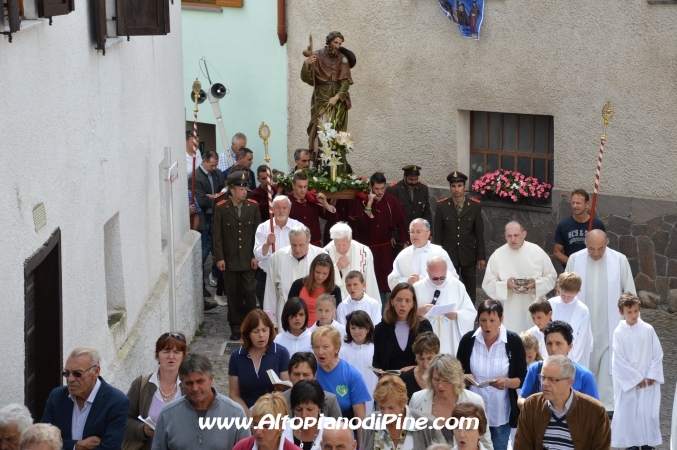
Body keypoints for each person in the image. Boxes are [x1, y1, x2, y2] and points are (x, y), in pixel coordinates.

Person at [565, 229, 636, 412]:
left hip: (609, 326)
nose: (596, 253)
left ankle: (607, 409)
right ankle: (581, 402)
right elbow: (565, 291)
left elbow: (629, 294)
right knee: (582, 361)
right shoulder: (575, 259)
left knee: (608, 371)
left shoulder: (619, 260)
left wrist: (632, 325)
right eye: (591, 249)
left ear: (607, 244)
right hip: (583, 326)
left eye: (601, 249)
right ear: (585, 245)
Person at [456, 301, 527, 450]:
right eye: (483, 320)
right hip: (472, 412)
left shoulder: (513, 341)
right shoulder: (468, 340)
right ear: (478, 320)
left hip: (500, 412)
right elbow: (457, 373)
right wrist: (464, 378)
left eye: (492, 320)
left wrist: (507, 382)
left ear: (501, 319)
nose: (487, 325)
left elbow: (522, 378)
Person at [152, 353, 250, 449]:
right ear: (182, 383)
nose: (195, 388)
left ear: (211, 379)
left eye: (200, 381)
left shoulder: (235, 413)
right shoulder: (168, 414)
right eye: (189, 383)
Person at [514, 355, 610, 449]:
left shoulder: (595, 412)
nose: (545, 384)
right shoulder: (531, 406)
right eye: (543, 377)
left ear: (569, 382)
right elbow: (521, 446)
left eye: (552, 379)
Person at [42, 347, 130, 450]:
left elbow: (110, 447)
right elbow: (43, 441)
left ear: (96, 372)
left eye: (77, 373)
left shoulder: (117, 402)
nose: (70, 379)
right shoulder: (57, 397)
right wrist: (76, 446)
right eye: (66, 373)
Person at [481, 220, 557, 333]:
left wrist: (536, 284)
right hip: (509, 309)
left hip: (533, 308)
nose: (513, 239)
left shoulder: (537, 251)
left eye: (516, 235)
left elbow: (552, 276)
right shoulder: (497, 255)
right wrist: (505, 285)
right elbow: (487, 283)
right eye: (509, 236)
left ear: (524, 234)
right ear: (505, 236)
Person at [611, 292, 664, 450]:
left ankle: (648, 444)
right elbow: (618, 360)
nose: (633, 315)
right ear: (621, 312)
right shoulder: (618, 333)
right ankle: (630, 445)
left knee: (648, 414)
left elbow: (657, 353)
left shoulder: (648, 329)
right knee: (629, 415)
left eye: (636, 311)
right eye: (629, 312)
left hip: (647, 382)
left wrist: (652, 375)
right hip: (629, 384)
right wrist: (635, 378)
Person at [213, 170, 261, 339]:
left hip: (248, 258)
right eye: (240, 188)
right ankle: (235, 326)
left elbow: (258, 234)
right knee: (232, 294)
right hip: (229, 258)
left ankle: (250, 324)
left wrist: (256, 255)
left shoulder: (253, 206)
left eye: (245, 188)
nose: (244, 191)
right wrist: (219, 258)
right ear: (232, 190)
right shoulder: (221, 208)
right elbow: (217, 234)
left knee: (249, 292)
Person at [409, 354, 493, 448]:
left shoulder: (475, 401)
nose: (440, 386)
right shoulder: (417, 399)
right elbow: (412, 439)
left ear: (456, 379)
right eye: (436, 380)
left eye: (446, 380)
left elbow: (485, 442)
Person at [123, 332, 186, 450]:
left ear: (183, 356)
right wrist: (143, 430)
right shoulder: (141, 384)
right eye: (166, 351)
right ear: (157, 355)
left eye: (176, 352)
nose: (171, 356)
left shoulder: (190, 387)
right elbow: (123, 420)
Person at [354, 172, 408, 308]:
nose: (379, 192)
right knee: (367, 282)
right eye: (376, 189)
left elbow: (400, 223)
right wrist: (370, 203)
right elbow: (363, 225)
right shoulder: (362, 200)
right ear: (371, 187)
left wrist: (405, 243)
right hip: (367, 250)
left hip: (385, 251)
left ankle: (382, 315)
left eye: (382, 188)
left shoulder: (391, 201)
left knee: (383, 285)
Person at [312, 326, 371, 447]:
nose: (320, 352)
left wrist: (361, 447)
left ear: (337, 348)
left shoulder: (352, 375)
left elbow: (359, 420)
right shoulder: (310, 373)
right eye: (316, 347)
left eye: (325, 347)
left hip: (343, 442)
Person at [517, 321, 599, 408]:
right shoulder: (536, 369)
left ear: (570, 346)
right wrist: (540, 408)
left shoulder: (584, 375)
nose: (553, 349)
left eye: (558, 343)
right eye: (549, 344)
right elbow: (521, 400)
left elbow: (595, 408)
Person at [434, 171, 486, 304]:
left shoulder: (474, 205)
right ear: (450, 187)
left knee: (470, 286)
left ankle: (469, 312)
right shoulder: (442, 206)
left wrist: (481, 256)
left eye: (459, 186)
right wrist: (438, 255)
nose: (456, 189)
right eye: (453, 186)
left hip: (468, 253)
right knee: (450, 285)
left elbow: (479, 233)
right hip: (449, 254)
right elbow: (438, 233)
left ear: (464, 186)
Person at [263, 225, 328, 329]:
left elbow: (330, 286)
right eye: (294, 245)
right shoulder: (277, 257)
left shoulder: (321, 255)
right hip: (285, 309)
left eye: (301, 245)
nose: (297, 249)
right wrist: (271, 322)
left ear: (308, 241)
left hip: (313, 313)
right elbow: (270, 290)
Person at [228, 310, 291, 415]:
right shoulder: (237, 356)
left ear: (270, 330)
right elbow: (234, 395)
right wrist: (250, 417)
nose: (261, 335)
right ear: (248, 333)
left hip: (273, 413)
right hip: (246, 414)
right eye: (256, 331)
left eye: (264, 330)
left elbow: (285, 391)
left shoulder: (281, 353)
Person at [301, 31, 353, 152]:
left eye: (340, 44)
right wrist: (307, 64)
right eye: (335, 42)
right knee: (319, 127)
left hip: (337, 97)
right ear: (329, 41)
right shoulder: (317, 55)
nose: (337, 46)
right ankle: (318, 158)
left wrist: (337, 97)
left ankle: (334, 159)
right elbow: (307, 78)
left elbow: (345, 83)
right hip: (321, 95)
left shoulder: (343, 58)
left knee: (335, 128)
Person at [362, 376, 445, 449]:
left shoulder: (428, 424)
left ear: (403, 402)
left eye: (391, 407)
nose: (386, 413)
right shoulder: (370, 423)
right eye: (381, 407)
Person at [414, 256, 475, 355]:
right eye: (435, 278)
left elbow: (471, 312)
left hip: (449, 340)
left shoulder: (457, 286)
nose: (438, 281)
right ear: (427, 271)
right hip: (425, 341)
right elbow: (406, 314)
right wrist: (422, 310)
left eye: (442, 277)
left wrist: (457, 315)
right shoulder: (417, 288)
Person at [372, 283, 433, 371]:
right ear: (392, 301)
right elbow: (376, 362)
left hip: (417, 381)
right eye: (399, 300)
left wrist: (413, 369)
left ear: (413, 304)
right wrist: (379, 372)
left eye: (407, 300)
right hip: (391, 382)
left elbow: (432, 359)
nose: (403, 304)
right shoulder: (380, 329)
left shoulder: (424, 326)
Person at [191, 150, 226, 305]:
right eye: (211, 165)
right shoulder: (195, 177)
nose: (214, 168)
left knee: (217, 248)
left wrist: (213, 197)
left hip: (217, 216)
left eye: (215, 165)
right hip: (205, 218)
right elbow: (201, 200)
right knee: (205, 249)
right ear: (204, 161)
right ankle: (199, 282)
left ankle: (216, 276)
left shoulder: (218, 173)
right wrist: (214, 198)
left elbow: (223, 195)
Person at [254, 196, 302, 307]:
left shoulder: (298, 227)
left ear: (289, 210)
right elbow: (258, 255)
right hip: (267, 277)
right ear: (272, 209)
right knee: (268, 312)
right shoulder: (263, 228)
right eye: (278, 208)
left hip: (291, 276)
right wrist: (267, 244)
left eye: (284, 208)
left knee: (291, 311)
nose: (281, 211)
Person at [389, 218, 459, 289]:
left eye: (418, 232)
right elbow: (392, 280)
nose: (414, 235)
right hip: (412, 298)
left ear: (428, 233)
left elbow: (454, 278)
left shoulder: (439, 253)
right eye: (412, 232)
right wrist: (407, 281)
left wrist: (436, 281)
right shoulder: (403, 255)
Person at [324, 222, 380, 301]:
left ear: (350, 239)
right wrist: (336, 268)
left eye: (344, 245)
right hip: (335, 301)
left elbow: (370, 280)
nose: (341, 249)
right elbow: (322, 280)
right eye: (337, 245)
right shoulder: (326, 252)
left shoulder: (364, 252)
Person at [548, 272, 593, 368]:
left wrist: (569, 360)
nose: (566, 299)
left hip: (574, 355)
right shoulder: (551, 304)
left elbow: (582, 338)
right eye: (563, 295)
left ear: (578, 292)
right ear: (558, 288)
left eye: (570, 296)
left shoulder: (582, 310)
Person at [553, 189, 606, 268]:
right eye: (573, 203)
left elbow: (603, 249)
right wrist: (573, 263)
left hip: (592, 268)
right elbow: (557, 252)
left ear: (587, 204)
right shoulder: (563, 225)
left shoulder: (597, 225)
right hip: (571, 271)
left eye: (578, 203)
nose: (575, 206)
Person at [386, 165, 433, 255]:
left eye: (416, 179)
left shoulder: (423, 189)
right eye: (411, 179)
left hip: (419, 235)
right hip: (399, 237)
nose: (414, 182)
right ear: (405, 176)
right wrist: (390, 234)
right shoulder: (394, 190)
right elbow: (388, 215)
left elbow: (427, 213)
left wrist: (429, 232)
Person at [339, 311, 377, 415]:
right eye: (353, 328)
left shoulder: (375, 349)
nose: (356, 331)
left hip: (371, 396)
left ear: (368, 329)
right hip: (349, 398)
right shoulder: (343, 351)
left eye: (360, 328)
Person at [281, 352, 342, 419]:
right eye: (296, 374)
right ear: (289, 375)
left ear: (314, 376)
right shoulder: (281, 401)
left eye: (306, 375)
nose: (301, 379)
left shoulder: (330, 400)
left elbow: (341, 428)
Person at [232, 393, 301, 450]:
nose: (258, 432)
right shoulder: (241, 447)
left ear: (280, 425)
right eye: (255, 424)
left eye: (265, 426)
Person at [288, 254, 342, 325]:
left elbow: (337, 315)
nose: (320, 276)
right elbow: (290, 309)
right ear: (312, 269)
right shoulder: (298, 285)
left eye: (325, 273)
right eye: (317, 272)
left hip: (325, 331)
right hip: (301, 330)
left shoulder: (335, 290)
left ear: (330, 274)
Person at [287, 172, 337, 246]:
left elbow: (332, 218)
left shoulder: (312, 199)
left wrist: (325, 203)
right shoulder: (287, 202)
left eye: (305, 186)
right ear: (293, 185)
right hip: (296, 245)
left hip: (314, 244)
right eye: (300, 187)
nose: (303, 190)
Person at [283, 380, 327, 449]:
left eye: (310, 409)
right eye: (298, 409)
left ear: (320, 407)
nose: (304, 415)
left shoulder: (332, 427)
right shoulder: (284, 429)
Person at [399, 332, 440, 400]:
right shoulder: (404, 379)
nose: (425, 364)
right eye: (421, 359)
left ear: (437, 356)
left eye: (430, 359)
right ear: (415, 357)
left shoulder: (444, 378)